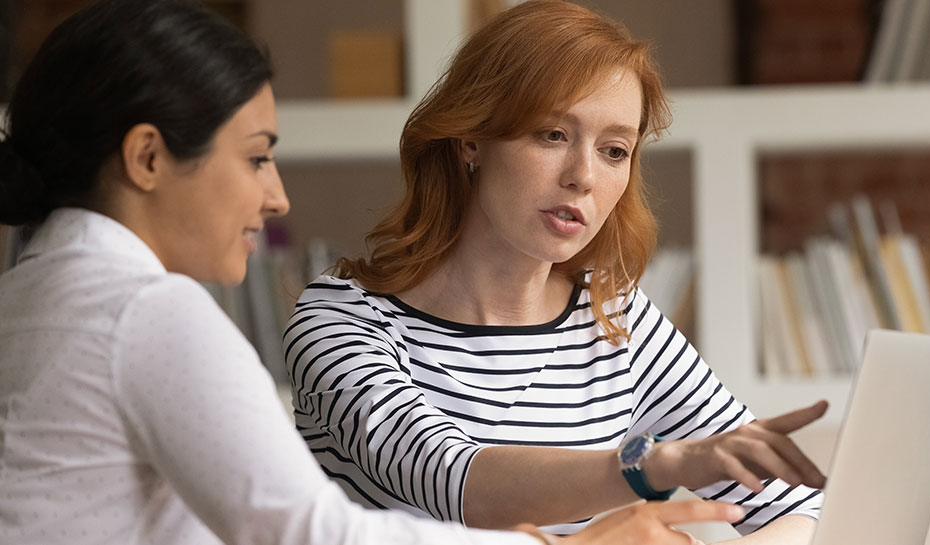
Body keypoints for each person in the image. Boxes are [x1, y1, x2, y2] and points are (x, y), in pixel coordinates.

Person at [0, 1, 747, 544]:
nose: (277, 194)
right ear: (148, 158)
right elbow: (312, 530)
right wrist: (581, 535)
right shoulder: (150, 312)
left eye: (616, 150)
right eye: (256, 155)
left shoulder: (32, 293)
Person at [283, 0, 828, 542]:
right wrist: (657, 467)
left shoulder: (614, 318)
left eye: (615, 150)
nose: (584, 176)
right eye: (552, 135)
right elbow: (457, 484)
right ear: (473, 137)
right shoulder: (341, 320)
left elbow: (795, 504)